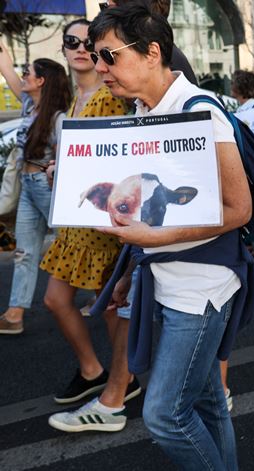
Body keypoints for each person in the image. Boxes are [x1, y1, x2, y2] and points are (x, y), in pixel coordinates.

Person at [89, 4, 252, 468]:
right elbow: (147, 214)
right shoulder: (146, 110)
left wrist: (154, 240)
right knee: (208, 404)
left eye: (108, 56)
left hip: (201, 289)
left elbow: (239, 210)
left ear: (152, 52)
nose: (101, 68)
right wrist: (133, 267)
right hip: (168, 279)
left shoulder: (201, 110)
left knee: (164, 416)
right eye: (96, 57)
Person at [39, 19, 143, 430]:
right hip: (74, 221)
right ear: (63, 49)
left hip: (100, 223)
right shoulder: (75, 101)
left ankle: (117, 380)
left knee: (111, 307)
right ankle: (96, 372)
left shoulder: (108, 96)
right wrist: (57, 169)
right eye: (72, 42)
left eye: (89, 43)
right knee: (65, 301)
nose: (81, 49)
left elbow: (122, 154)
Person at [0, 47, 72, 335]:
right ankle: (14, 315)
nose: (23, 76)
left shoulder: (58, 118)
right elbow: (8, 71)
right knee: (24, 252)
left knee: (75, 243)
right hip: (28, 187)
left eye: (28, 72)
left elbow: (66, 158)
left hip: (47, 187)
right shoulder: (30, 106)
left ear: (42, 80)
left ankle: (105, 294)